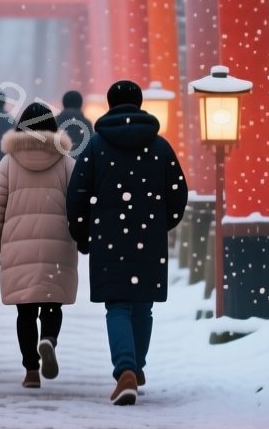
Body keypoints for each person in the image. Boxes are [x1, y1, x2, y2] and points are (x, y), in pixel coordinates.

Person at [65, 79, 188, 405]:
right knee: (142, 306)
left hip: (109, 237)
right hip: (148, 237)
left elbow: (77, 193)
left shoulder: (95, 146)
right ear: (140, 103)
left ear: (109, 104)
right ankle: (137, 365)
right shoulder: (160, 146)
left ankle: (125, 370)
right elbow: (179, 193)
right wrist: (163, 223)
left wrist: (82, 234)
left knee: (117, 305)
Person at [0, 102, 79, 389]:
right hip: (57, 246)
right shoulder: (66, 161)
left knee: (25, 311)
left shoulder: (8, 163)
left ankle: (31, 370)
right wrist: (82, 237)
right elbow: (77, 202)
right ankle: (49, 339)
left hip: (17, 245)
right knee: (52, 303)